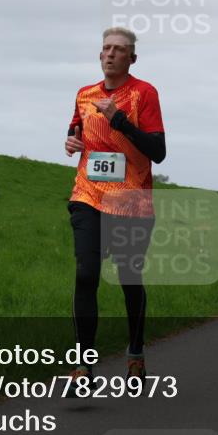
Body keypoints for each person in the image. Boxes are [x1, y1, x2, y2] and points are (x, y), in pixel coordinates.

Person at [64, 27, 165, 384]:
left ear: (132, 58)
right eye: (106, 48)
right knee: (86, 274)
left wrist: (118, 120)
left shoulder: (144, 93)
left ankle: (135, 352)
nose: (110, 54)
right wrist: (71, 142)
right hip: (87, 196)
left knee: (128, 278)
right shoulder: (85, 94)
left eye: (119, 50)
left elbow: (158, 152)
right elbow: (76, 130)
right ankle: (83, 366)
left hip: (131, 201)